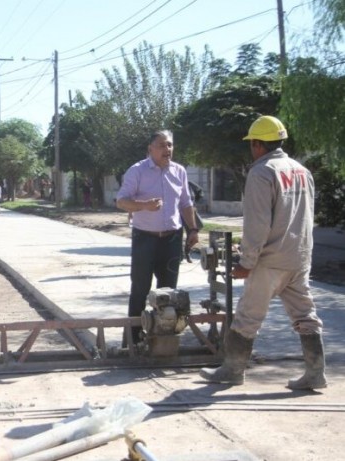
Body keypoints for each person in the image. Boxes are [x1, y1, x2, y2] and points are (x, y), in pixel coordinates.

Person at [200, 116, 326, 390]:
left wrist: (246, 262)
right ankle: (315, 373)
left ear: (257, 144)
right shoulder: (302, 170)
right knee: (305, 315)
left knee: (247, 317)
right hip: (299, 257)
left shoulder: (262, 172)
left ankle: (232, 370)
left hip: (270, 261)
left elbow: (257, 223)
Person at [116, 130, 199, 345]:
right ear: (150, 149)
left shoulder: (179, 171)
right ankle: (132, 341)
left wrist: (193, 230)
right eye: (162, 145)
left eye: (170, 145)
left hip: (171, 240)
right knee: (140, 290)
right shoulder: (138, 171)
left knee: (168, 294)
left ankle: (162, 341)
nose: (167, 149)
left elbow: (186, 203)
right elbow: (121, 201)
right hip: (145, 239)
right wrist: (144, 206)